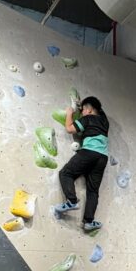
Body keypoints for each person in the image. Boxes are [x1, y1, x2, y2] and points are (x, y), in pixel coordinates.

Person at [54, 95, 109, 232]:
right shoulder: (104, 121)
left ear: (89, 110)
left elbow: (69, 128)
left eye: (83, 110)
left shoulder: (87, 118)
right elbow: (98, 110)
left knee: (66, 173)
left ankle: (72, 201)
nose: (81, 113)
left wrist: (69, 113)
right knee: (93, 191)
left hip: (89, 152)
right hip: (102, 157)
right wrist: (81, 105)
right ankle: (89, 221)